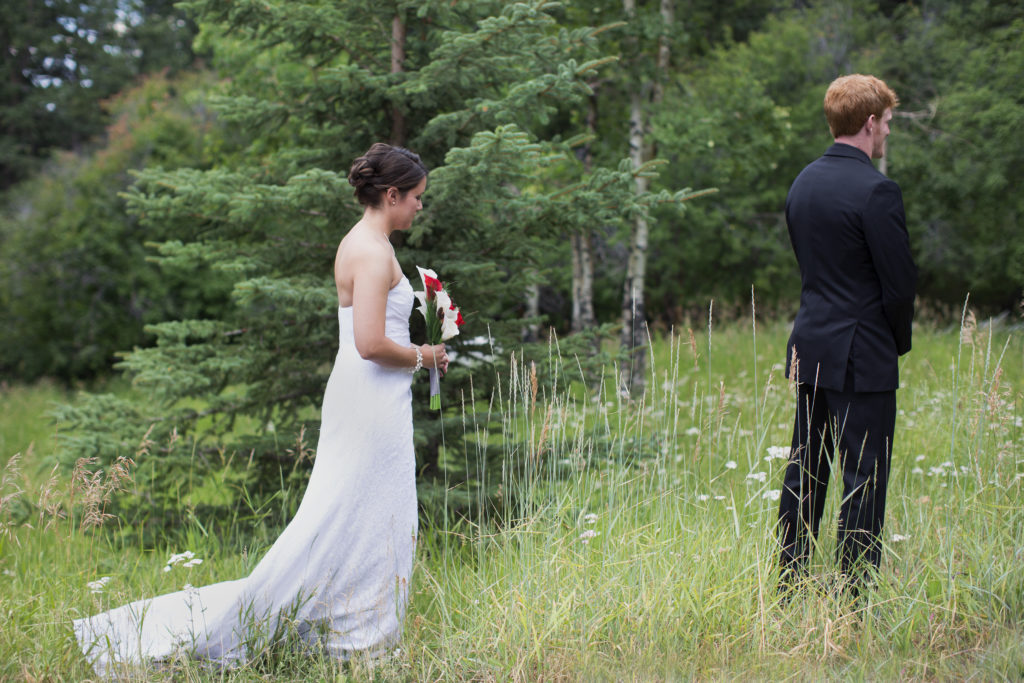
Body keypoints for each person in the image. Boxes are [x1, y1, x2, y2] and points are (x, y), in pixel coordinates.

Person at [73, 142, 448, 674]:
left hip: (371, 396)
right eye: (415, 198)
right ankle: (355, 637)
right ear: (391, 194)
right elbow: (368, 342)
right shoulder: (368, 250)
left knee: (371, 512)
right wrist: (426, 354)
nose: (418, 207)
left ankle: (358, 627)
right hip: (368, 396)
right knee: (350, 512)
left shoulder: (368, 243)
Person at [776, 74, 917, 596]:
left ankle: (790, 584)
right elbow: (899, 286)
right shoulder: (878, 191)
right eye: (886, 125)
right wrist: (895, 343)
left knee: (805, 470)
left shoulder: (803, 182)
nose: (886, 136)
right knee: (865, 475)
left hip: (811, 343)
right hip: (864, 353)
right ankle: (853, 595)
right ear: (870, 122)